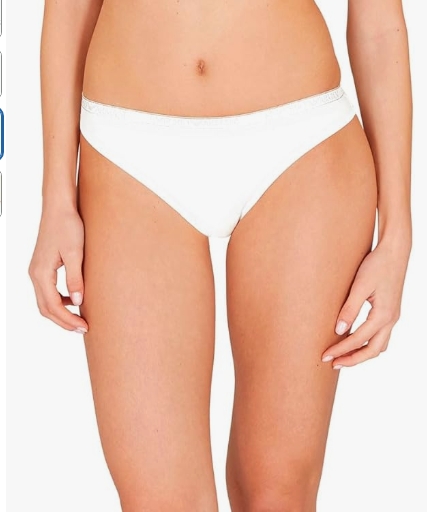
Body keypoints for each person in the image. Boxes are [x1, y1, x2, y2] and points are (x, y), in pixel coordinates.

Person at [28, 0, 412, 510]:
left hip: (301, 146)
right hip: (127, 155)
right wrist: (56, 197)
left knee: (277, 493)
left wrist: (398, 234)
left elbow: (379, 24)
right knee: (161, 500)